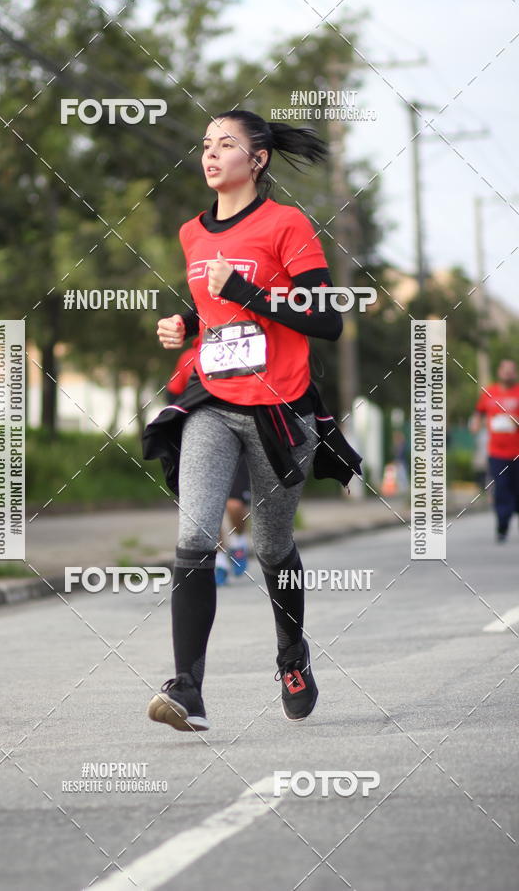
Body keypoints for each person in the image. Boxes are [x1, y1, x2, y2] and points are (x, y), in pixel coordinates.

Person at [142, 110, 362, 732]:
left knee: (270, 545)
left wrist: (250, 296)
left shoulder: (287, 226)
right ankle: (188, 688)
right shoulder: (192, 233)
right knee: (194, 535)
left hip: (279, 410)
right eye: (206, 143)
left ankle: (292, 654)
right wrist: (187, 323)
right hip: (212, 401)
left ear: (257, 160)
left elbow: (326, 318)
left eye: (227, 145)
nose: (211, 154)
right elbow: (211, 309)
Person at [166, 339, 252, 584]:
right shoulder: (189, 357)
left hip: (241, 437)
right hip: (202, 440)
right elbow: (172, 396)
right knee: (206, 508)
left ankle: (238, 542)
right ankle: (221, 560)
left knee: (235, 506)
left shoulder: (245, 348)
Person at [470, 359, 519, 542]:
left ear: (515, 373)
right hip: (497, 453)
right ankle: (502, 524)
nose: (507, 374)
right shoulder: (489, 393)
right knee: (501, 488)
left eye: (511, 371)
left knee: (516, 490)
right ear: (499, 372)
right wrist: (475, 423)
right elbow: (478, 412)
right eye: (505, 370)